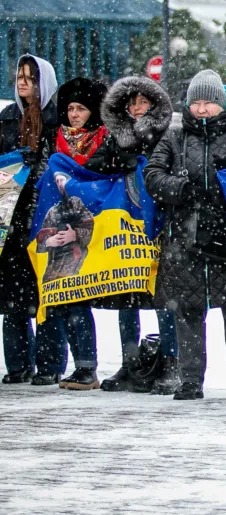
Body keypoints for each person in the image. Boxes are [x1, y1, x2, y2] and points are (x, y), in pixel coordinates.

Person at [144, 69, 226, 401]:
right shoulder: (174, 137)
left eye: (208, 103)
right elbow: (152, 175)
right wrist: (181, 189)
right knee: (187, 312)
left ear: (221, 104)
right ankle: (190, 380)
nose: (201, 109)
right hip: (184, 241)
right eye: (195, 102)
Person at [85, 76, 179, 395]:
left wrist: (142, 164)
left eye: (143, 102)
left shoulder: (168, 135)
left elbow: (171, 173)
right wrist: (117, 161)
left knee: (163, 297)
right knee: (127, 297)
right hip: (125, 233)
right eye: (132, 103)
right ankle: (130, 362)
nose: (137, 108)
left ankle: (171, 362)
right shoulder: (117, 136)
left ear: (155, 104)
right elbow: (93, 167)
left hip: (159, 228)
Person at [0, 55, 64, 386]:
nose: (23, 83)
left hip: (45, 216)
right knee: (12, 293)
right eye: (20, 77)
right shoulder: (8, 117)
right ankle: (18, 364)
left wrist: (39, 165)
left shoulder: (56, 119)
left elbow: (63, 163)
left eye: (31, 77)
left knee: (47, 291)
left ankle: (50, 363)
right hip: (11, 216)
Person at [44, 77, 108, 390]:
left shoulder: (104, 141)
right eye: (70, 108)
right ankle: (79, 365)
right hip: (59, 231)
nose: (74, 114)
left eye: (81, 108)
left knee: (78, 299)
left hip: (90, 230)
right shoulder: (56, 141)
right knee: (63, 301)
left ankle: (86, 366)